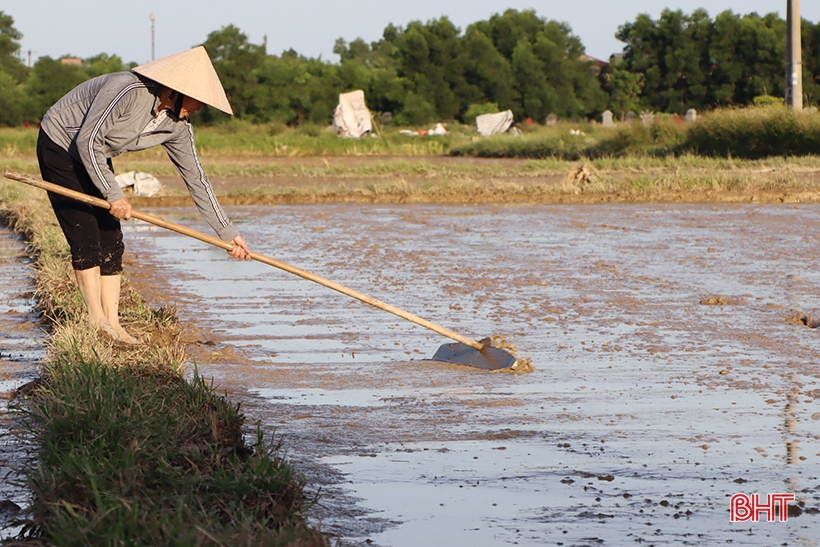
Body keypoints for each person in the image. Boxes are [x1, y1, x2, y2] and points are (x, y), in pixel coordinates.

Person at [36, 46, 250, 344]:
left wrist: (227, 232)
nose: (200, 108)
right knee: (86, 233)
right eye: (199, 100)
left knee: (111, 237)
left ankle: (113, 323)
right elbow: (88, 140)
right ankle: (96, 320)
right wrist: (114, 194)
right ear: (178, 89)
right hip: (61, 143)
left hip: (95, 153)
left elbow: (197, 179)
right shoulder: (128, 89)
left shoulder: (177, 126)